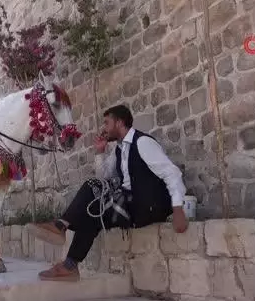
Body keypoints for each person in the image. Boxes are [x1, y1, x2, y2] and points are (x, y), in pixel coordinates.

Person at [27, 105, 189, 282]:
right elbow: (103, 176)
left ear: (119, 123)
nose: (103, 128)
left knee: (91, 186)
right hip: (131, 205)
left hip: (149, 205)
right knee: (93, 212)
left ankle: (60, 226)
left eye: (106, 123)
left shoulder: (142, 142)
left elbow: (171, 173)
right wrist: (100, 152)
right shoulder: (119, 149)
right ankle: (70, 266)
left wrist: (177, 208)